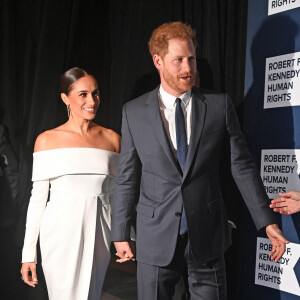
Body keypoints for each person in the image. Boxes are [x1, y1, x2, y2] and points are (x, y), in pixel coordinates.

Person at [111, 22, 288, 300]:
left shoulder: (219, 105)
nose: (188, 68)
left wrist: (267, 221)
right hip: (155, 237)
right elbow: (127, 177)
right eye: (178, 60)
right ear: (158, 61)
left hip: (207, 236)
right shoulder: (133, 112)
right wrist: (120, 231)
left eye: (191, 58)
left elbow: (241, 166)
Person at [20, 67, 120, 300]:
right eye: (83, 94)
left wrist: (126, 235)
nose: (92, 101)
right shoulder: (47, 140)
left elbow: (117, 195)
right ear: (65, 98)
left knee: (92, 294)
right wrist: (28, 254)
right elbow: (37, 201)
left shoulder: (112, 139)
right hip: (59, 233)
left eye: (95, 93)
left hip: (100, 232)